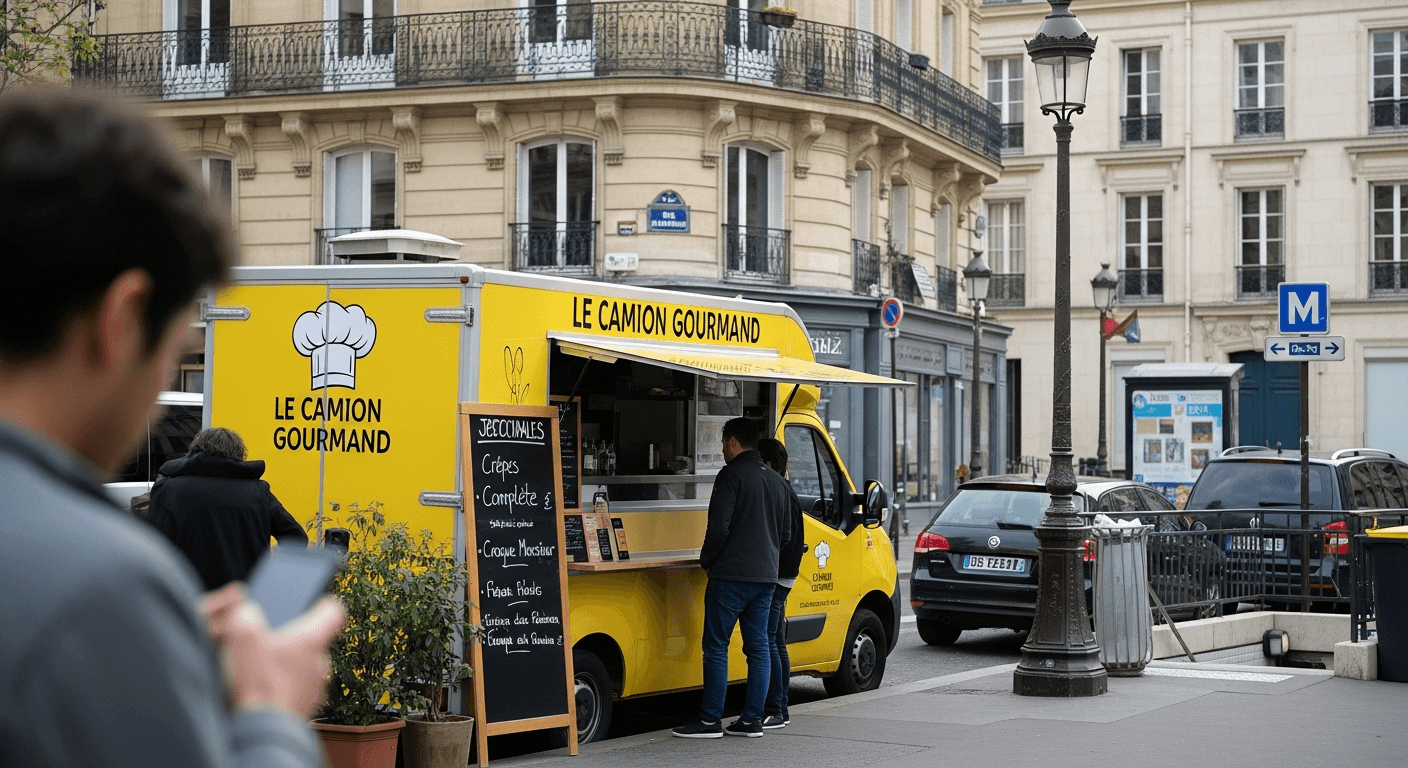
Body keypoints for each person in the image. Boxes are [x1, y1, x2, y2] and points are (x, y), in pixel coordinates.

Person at [0, 88, 343, 767]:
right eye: (175, 346)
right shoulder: (99, 589)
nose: (158, 400)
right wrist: (271, 713)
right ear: (123, 319)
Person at [673, 417, 794, 739]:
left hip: (730, 576)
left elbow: (719, 528)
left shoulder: (730, 475)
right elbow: (785, 535)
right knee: (759, 648)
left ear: (733, 442)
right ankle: (752, 719)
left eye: (723, 443)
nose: (722, 449)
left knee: (716, 647)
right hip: (766, 578)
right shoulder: (777, 481)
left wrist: (707, 561)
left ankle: (710, 720)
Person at [148, 427, 309, 591]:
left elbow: (152, 545)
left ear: (194, 452)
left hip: (189, 595)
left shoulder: (170, 490)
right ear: (238, 456)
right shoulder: (258, 492)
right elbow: (297, 538)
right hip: (242, 598)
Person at [756, 437, 804, 730]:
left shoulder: (778, 491)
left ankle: (775, 708)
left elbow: (781, 537)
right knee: (776, 641)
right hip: (785, 574)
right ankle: (780, 707)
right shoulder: (786, 490)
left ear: (768, 463)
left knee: (769, 640)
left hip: (776, 575)